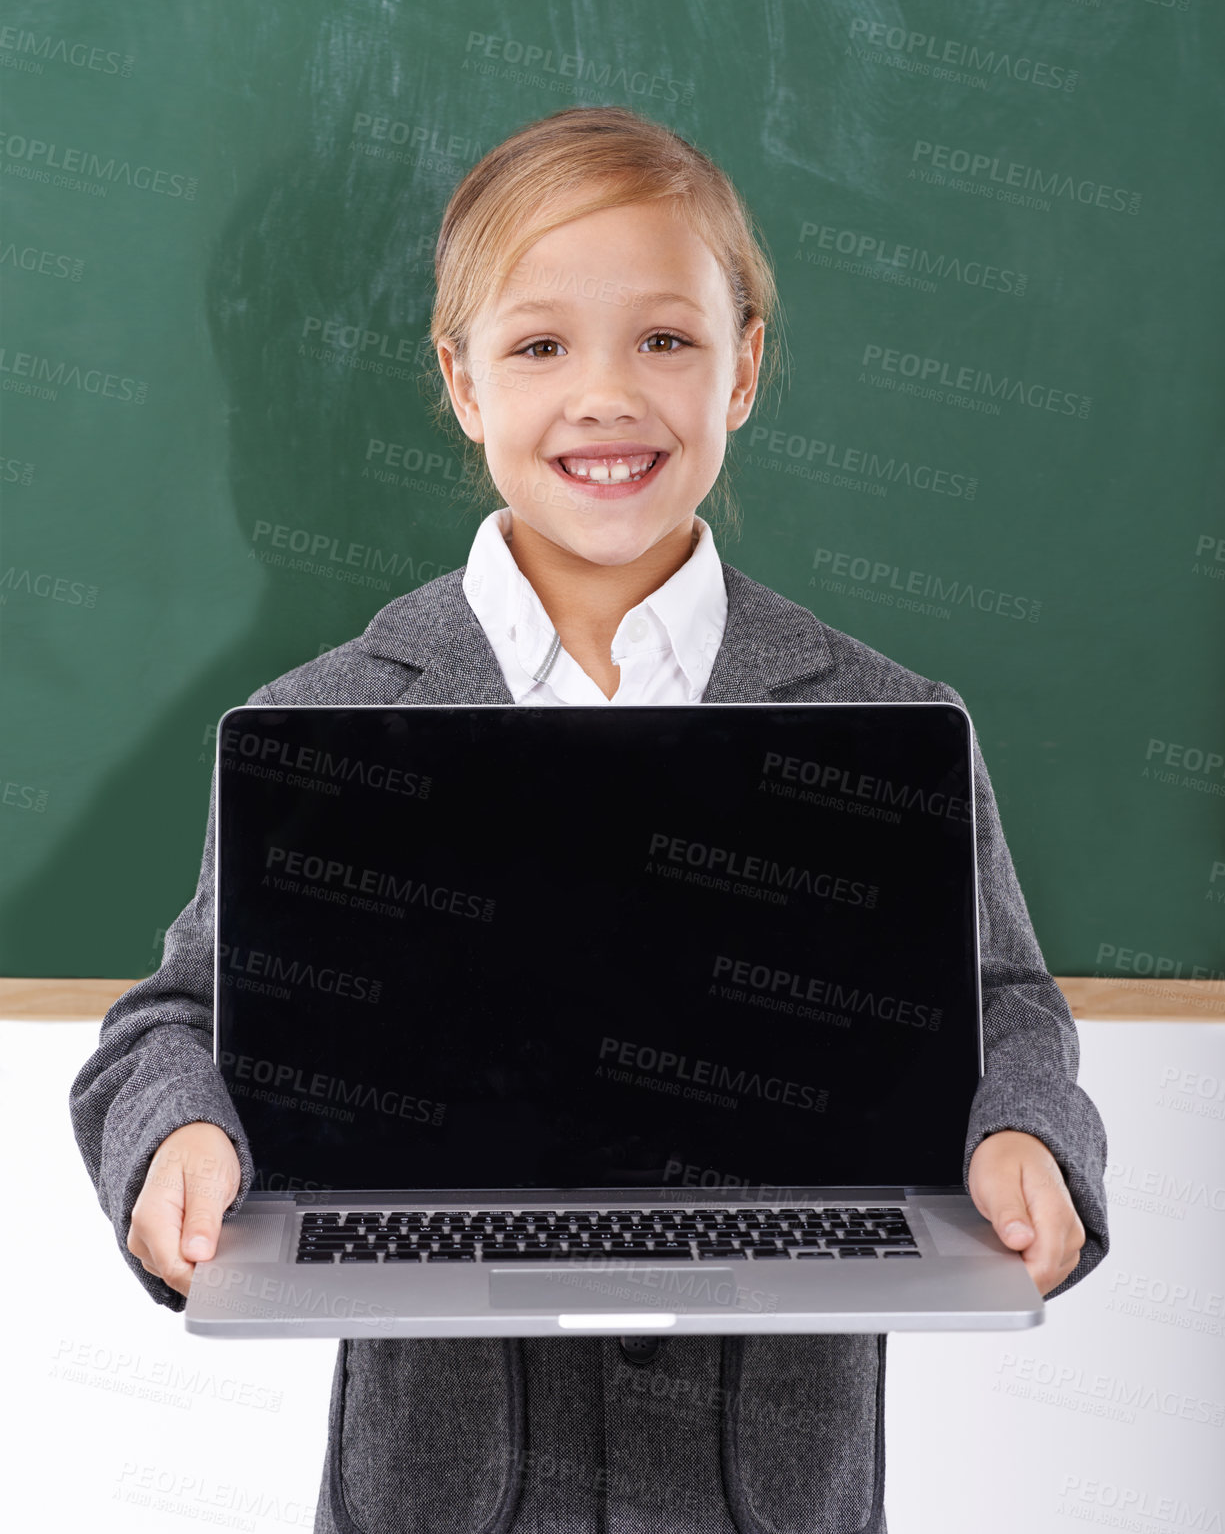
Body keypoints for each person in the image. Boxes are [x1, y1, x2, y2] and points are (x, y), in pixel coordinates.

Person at [70, 104, 1108, 1534]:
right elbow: (168, 1024)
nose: (605, 396)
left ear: (744, 367)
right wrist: (178, 1138)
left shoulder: (873, 718)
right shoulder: (331, 719)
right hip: (439, 1486)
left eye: (666, 341)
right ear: (460, 380)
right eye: (540, 344)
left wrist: (1025, 1139)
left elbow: (1009, 1013)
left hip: (769, 1483)